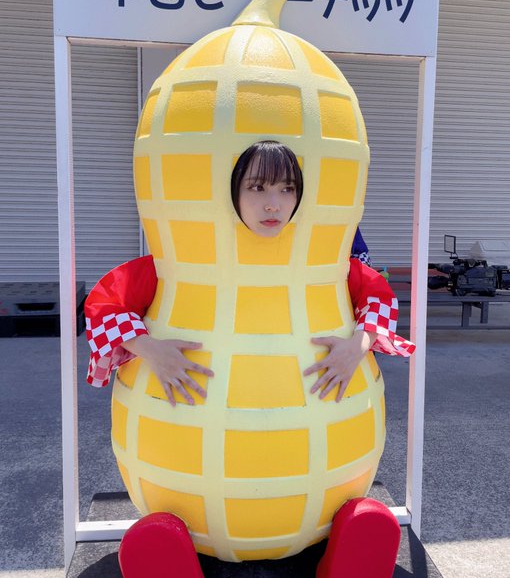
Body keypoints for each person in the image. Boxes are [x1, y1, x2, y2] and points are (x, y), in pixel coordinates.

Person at [85, 140, 414, 406]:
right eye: (257, 187)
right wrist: (150, 349)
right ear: (232, 190)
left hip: (309, 407)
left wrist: (358, 345)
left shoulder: (323, 261)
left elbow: (378, 296)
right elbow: (105, 305)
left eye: (287, 188)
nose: (273, 204)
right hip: (195, 420)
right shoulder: (184, 259)